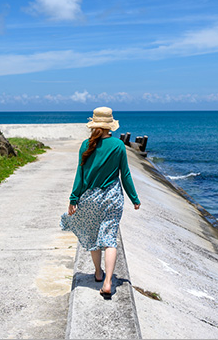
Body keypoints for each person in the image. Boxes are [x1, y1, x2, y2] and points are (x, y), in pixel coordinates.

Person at [60, 106, 140, 299]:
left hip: (91, 198)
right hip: (112, 197)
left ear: (93, 125)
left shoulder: (85, 145)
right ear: (110, 125)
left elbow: (80, 175)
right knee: (110, 238)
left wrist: (73, 198)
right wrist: (134, 199)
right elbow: (125, 175)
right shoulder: (119, 146)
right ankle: (107, 282)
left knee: (94, 235)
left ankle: (98, 273)